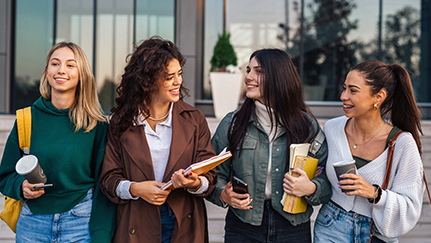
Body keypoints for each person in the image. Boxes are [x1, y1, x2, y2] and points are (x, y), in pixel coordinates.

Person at [99, 37, 217, 243]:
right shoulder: (122, 122)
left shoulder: (195, 119)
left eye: (179, 74)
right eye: (169, 76)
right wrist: (135, 188)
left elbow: (211, 178)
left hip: (183, 224)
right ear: (147, 80)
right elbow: (108, 180)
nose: (178, 81)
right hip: (136, 222)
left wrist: (194, 182)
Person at [207, 48, 331, 243]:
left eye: (258, 71)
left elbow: (326, 179)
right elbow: (212, 174)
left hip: (293, 227)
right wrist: (224, 194)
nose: (248, 77)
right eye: (248, 70)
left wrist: (311, 188)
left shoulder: (307, 127)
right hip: (243, 225)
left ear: (278, 77)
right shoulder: (232, 123)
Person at [0, 42, 116, 242]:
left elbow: (103, 186)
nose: (61, 70)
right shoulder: (27, 119)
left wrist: (101, 234)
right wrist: (21, 187)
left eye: (70, 65)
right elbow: (5, 176)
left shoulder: (95, 124)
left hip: (81, 223)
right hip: (32, 225)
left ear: (82, 75)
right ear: (46, 72)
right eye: (55, 64)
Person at [313, 60, 426, 243]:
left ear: (378, 97)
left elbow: (411, 206)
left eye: (353, 90)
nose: (343, 96)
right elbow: (320, 176)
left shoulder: (402, 143)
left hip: (375, 234)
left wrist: (374, 193)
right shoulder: (332, 129)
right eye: (344, 88)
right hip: (330, 227)